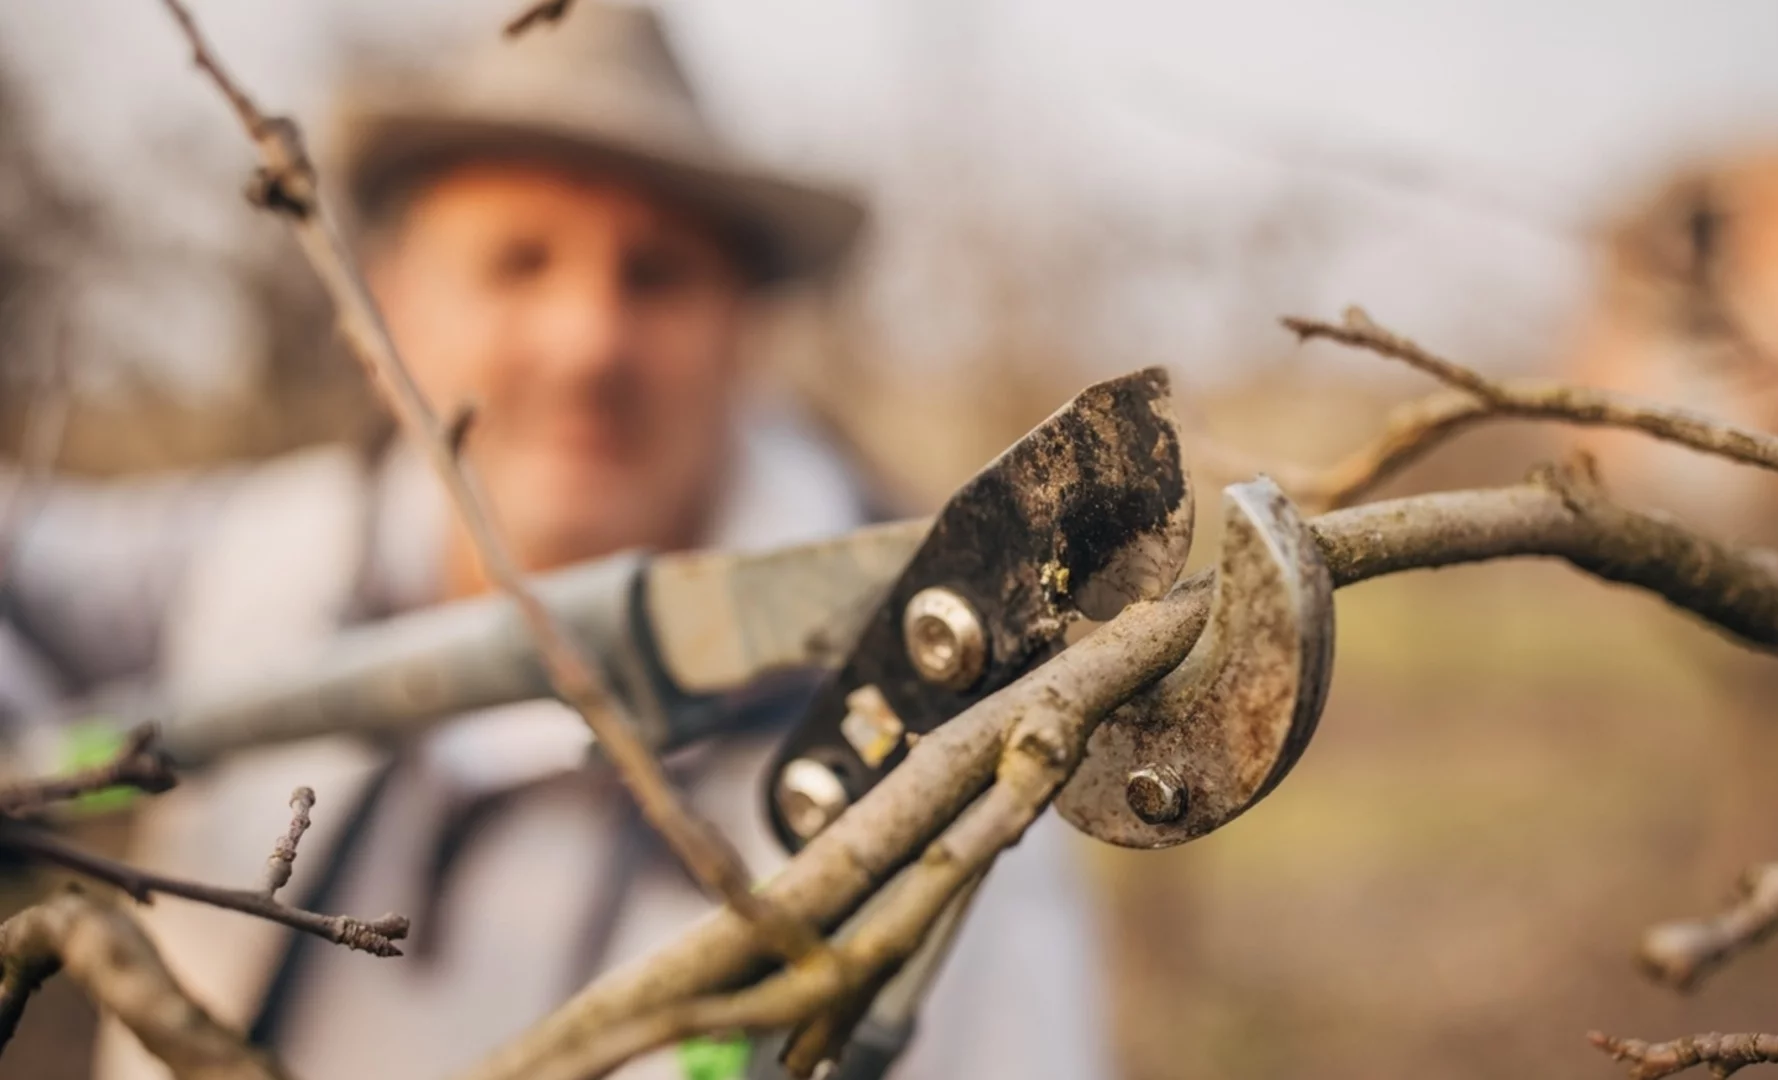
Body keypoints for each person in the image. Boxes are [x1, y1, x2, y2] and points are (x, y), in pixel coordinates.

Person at [0, 5, 1114, 1079]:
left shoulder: (933, 752)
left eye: (655, 275)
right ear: (394, 307)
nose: (588, 342)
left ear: (744, 328)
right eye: (519, 260)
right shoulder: (255, 560)